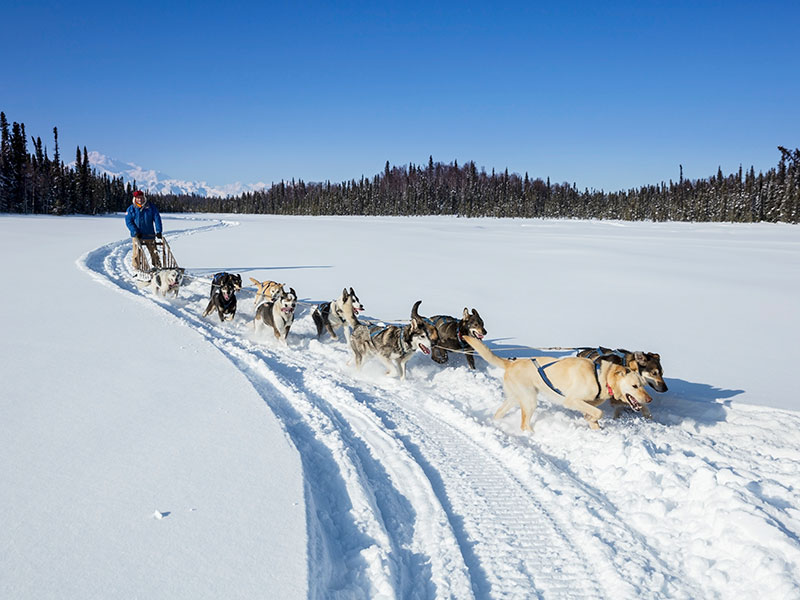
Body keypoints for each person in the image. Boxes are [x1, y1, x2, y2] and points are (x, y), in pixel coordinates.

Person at [125, 190, 163, 271]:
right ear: (135, 199)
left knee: (154, 252)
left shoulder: (150, 207)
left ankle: (157, 266)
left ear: (144, 198)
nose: (140, 199)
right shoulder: (131, 209)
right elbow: (129, 222)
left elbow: (157, 218)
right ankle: (136, 268)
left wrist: (159, 230)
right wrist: (135, 232)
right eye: (138, 198)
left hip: (149, 234)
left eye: (141, 198)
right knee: (136, 253)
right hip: (137, 235)